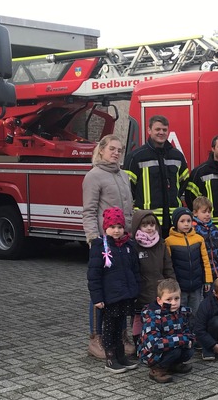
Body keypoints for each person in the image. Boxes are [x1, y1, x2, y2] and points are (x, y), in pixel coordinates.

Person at [81, 134, 134, 360]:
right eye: (112, 149)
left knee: (120, 291)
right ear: (101, 150)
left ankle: (120, 336)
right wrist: (94, 239)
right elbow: (89, 211)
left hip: (123, 241)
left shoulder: (123, 175)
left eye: (119, 150)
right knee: (100, 291)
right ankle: (97, 338)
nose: (116, 153)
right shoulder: (94, 176)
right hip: (104, 243)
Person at [87, 208, 140, 373]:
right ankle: (110, 358)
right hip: (110, 297)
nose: (116, 230)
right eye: (112, 227)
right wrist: (97, 298)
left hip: (125, 295)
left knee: (120, 328)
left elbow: (135, 270)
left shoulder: (128, 246)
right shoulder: (99, 247)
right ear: (105, 228)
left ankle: (121, 356)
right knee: (109, 328)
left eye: (119, 226)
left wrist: (135, 290)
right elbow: (94, 276)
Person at [123, 115, 189, 237]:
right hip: (147, 221)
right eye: (157, 129)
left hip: (173, 219)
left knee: (173, 254)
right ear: (149, 130)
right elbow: (127, 187)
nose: (161, 132)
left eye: (164, 130)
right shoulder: (136, 157)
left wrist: (175, 197)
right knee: (151, 255)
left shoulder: (177, 155)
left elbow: (184, 181)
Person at [131, 210, 176, 348]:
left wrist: (173, 284)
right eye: (145, 225)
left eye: (152, 224)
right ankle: (139, 344)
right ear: (138, 227)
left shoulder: (161, 244)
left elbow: (168, 266)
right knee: (139, 319)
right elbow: (133, 270)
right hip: (141, 290)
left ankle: (156, 344)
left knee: (159, 319)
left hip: (159, 290)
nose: (150, 228)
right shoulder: (134, 246)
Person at [139, 278, 195, 383]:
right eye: (169, 300)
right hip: (152, 354)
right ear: (159, 300)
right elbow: (153, 344)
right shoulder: (153, 317)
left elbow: (189, 331)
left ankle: (173, 365)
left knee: (189, 350)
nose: (173, 303)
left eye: (176, 298)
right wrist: (181, 340)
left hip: (173, 346)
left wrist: (189, 339)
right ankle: (157, 370)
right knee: (176, 350)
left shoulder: (182, 313)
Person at [164, 207, 213, 317]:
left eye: (189, 221)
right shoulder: (169, 241)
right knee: (179, 312)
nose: (186, 224)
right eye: (182, 221)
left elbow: (205, 260)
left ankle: (193, 332)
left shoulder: (198, 239)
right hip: (179, 285)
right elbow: (168, 264)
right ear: (176, 223)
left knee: (195, 311)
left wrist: (208, 280)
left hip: (196, 284)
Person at [192, 196, 218, 285]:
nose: (207, 214)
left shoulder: (214, 229)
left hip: (217, 268)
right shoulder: (193, 229)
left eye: (209, 212)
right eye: (204, 212)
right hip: (203, 270)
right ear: (195, 213)